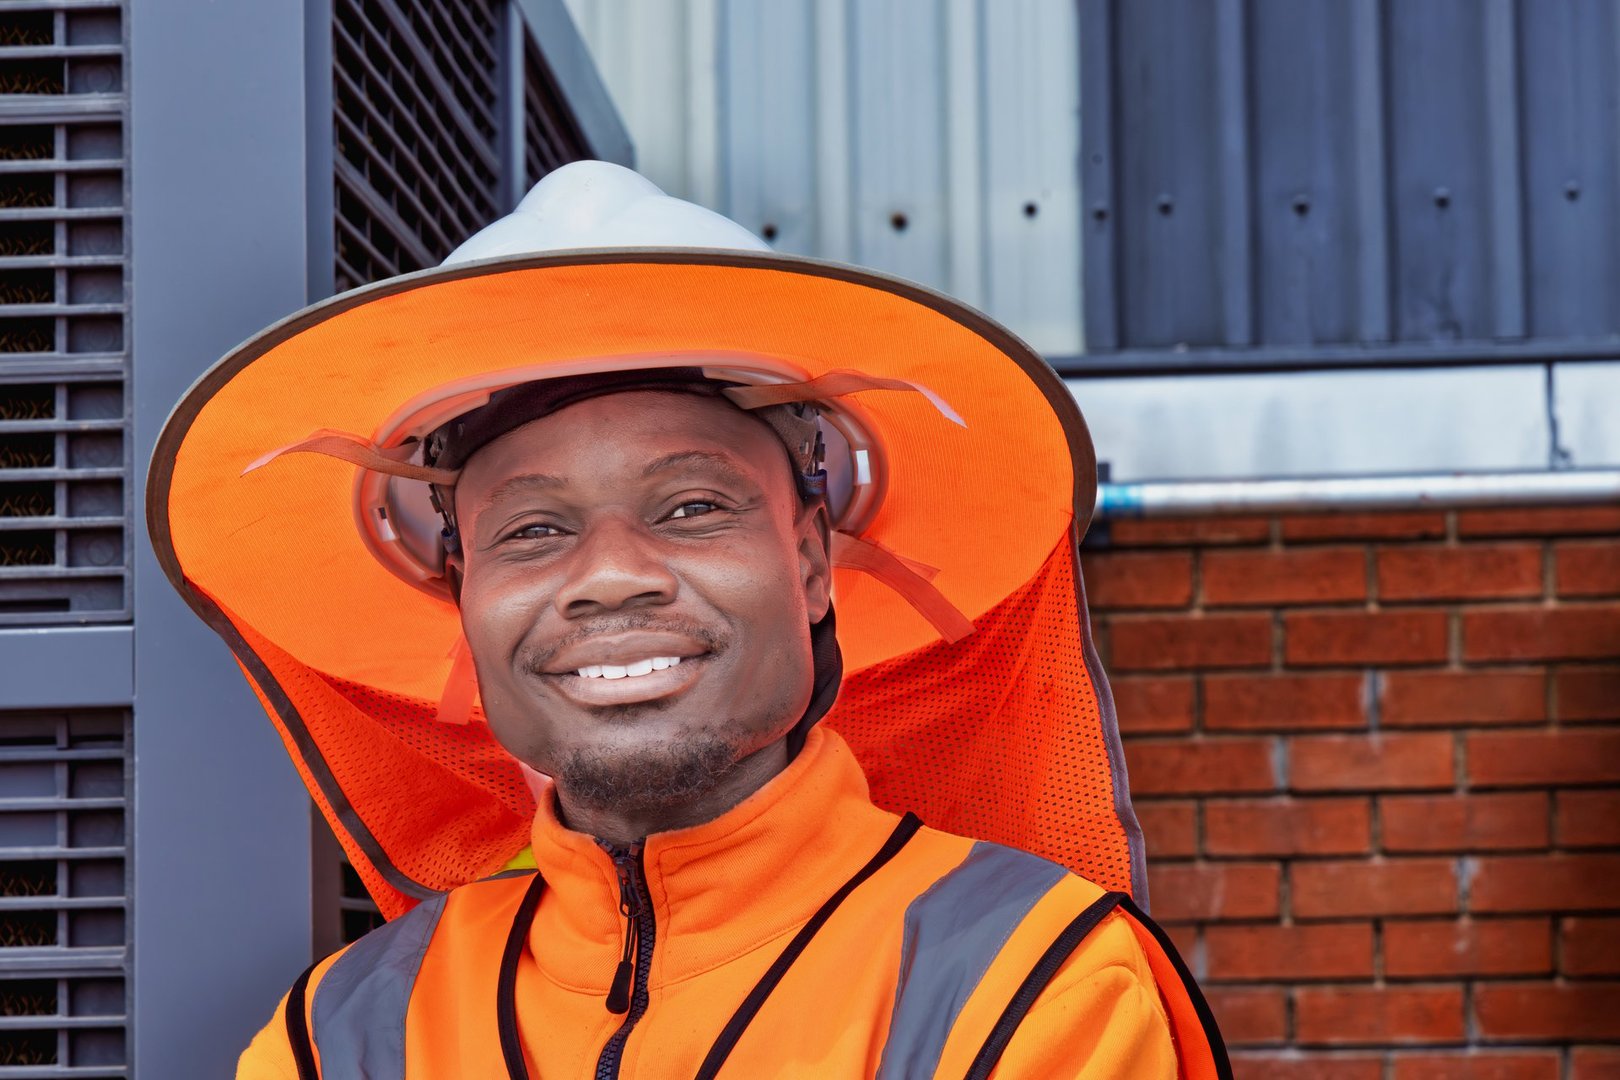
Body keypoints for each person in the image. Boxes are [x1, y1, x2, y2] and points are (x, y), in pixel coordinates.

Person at [148, 161, 1228, 1078]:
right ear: (461, 596)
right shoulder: (343, 1035)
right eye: (531, 530)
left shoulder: (1032, 981)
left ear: (808, 565)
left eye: (692, 506)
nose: (612, 575)